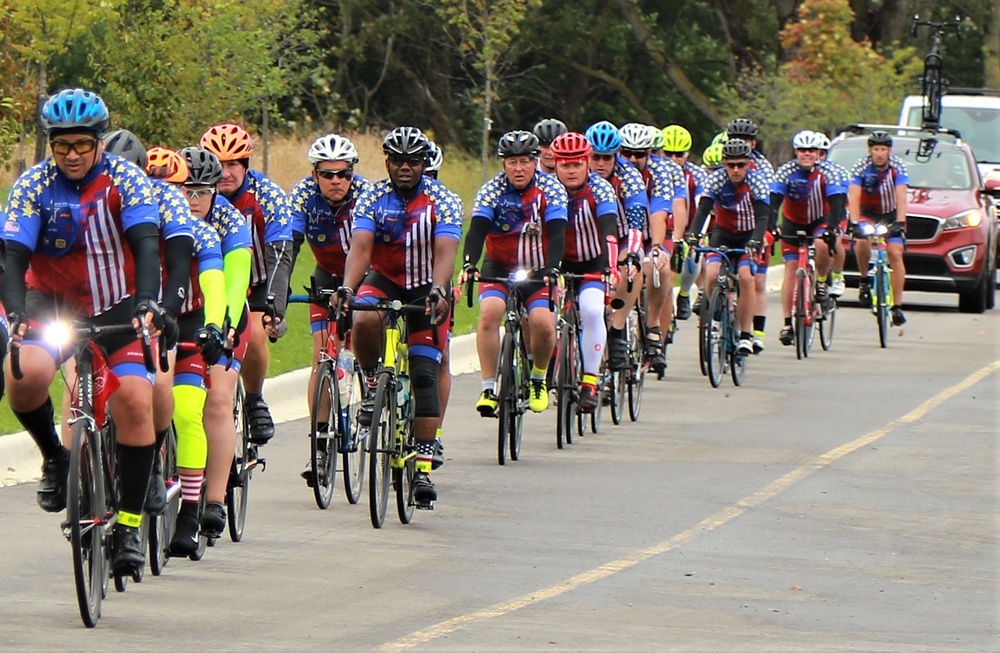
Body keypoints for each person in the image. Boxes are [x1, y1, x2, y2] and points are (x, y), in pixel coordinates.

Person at [2, 88, 166, 574]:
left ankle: (131, 526)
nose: (71, 155)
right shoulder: (33, 185)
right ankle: (55, 457)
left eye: (81, 144)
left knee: (136, 400)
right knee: (24, 373)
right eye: (61, 145)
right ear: (50, 144)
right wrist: (14, 313)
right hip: (50, 301)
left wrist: (148, 303)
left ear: (97, 141)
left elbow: (147, 245)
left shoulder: (127, 181)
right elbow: (13, 258)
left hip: (116, 302)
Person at [340, 126, 462, 506]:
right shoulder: (372, 197)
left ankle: (423, 468)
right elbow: (360, 249)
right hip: (387, 279)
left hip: (428, 284)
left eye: (413, 161)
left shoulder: (444, 199)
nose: (405, 168)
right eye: (398, 161)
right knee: (362, 317)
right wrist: (347, 288)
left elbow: (445, 252)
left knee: (425, 374)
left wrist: (440, 289)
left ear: (424, 164)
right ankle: (374, 379)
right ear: (388, 162)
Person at [100, 130, 194, 515]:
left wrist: (167, 310)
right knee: (76, 387)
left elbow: (178, 266)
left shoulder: (166, 198)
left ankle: (152, 459)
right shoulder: (85, 199)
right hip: (103, 304)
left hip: (149, 301)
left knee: (158, 386)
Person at [176, 146, 253, 539]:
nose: (193, 201)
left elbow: (236, 279)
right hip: (177, 315)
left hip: (223, 313)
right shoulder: (164, 216)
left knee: (219, 398)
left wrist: (223, 326)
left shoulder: (228, 219)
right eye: (185, 190)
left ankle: (215, 499)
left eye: (202, 192)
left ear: (214, 193)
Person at [200, 123, 294, 445]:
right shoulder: (194, 194)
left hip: (256, 284)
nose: (225, 173)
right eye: (218, 163)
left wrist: (276, 307)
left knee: (253, 335)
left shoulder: (267, 196)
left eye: (233, 164)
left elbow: (281, 253)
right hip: (204, 284)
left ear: (246, 166)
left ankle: (254, 399)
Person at [462, 130, 567, 416]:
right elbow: (476, 232)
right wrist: (470, 264)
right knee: (489, 314)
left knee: (543, 323)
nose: (518, 168)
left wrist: (554, 267)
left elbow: (558, 235)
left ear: (535, 162)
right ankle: (488, 387)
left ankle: (538, 379)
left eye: (524, 161)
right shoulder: (491, 191)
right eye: (511, 162)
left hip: (538, 269)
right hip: (499, 266)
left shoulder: (551, 189)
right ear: (503, 164)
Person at [289, 134, 372, 484]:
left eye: (343, 174)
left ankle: (373, 388)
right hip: (326, 275)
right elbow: (287, 247)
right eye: (327, 174)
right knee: (322, 355)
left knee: (369, 336)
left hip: (367, 274)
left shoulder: (369, 195)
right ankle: (320, 443)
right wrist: (277, 295)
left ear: (353, 173)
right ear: (314, 175)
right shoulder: (303, 197)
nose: (336, 181)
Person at [550, 131, 619, 411]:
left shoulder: (601, 189)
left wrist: (612, 269)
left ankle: (590, 381)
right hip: (554, 263)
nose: (571, 171)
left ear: (587, 163)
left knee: (591, 310)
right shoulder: (545, 188)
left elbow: (610, 233)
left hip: (593, 261)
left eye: (577, 164)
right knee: (541, 314)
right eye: (565, 165)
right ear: (554, 164)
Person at [689, 138, 771, 356]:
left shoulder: (757, 180)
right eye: (731, 165)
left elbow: (763, 215)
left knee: (746, 277)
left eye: (741, 165)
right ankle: (715, 316)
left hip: (748, 234)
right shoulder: (716, 180)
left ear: (748, 164)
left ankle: (745, 334)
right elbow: (703, 209)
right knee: (712, 274)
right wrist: (693, 235)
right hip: (723, 233)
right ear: (724, 164)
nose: (736, 170)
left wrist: (756, 239)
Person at [618, 122, 686, 374]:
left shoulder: (661, 171)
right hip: (622, 232)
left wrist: (656, 248)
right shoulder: (613, 170)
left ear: (650, 153)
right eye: (627, 153)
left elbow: (659, 211)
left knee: (660, 270)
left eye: (640, 154)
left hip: (653, 232)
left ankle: (653, 322)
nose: (634, 159)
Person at [770, 130, 847, 346]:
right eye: (802, 150)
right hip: (792, 221)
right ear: (796, 151)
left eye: (811, 150)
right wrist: (771, 226)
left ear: (818, 153)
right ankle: (787, 324)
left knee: (823, 245)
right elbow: (774, 200)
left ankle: (821, 281)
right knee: (791, 270)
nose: (807, 154)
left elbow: (837, 202)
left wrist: (831, 228)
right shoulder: (786, 171)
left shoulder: (828, 172)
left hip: (820, 219)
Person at [584, 121, 648, 371]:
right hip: (587, 238)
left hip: (620, 236)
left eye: (607, 158)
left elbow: (635, 225)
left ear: (616, 156)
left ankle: (618, 330)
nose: (600, 164)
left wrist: (631, 254)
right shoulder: (577, 173)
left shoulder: (629, 176)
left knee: (633, 266)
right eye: (595, 157)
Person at [847, 130, 908, 326]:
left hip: (891, 213)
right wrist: (854, 222)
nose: (880, 153)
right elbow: (854, 196)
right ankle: (864, 280)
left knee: (895, 253)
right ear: (870, 150)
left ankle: (897, 306)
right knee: (863, 240)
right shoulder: (860, 166)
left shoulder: (897, 167)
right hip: (867, 212)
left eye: (883, 149)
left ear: (889, 151)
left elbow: (901, 195)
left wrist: (900, 222)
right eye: (876, 149)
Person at [726, 118, 773, 353]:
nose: (739, 143)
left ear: (753, 143)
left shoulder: (762, 167)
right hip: (726, 224)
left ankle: (756, 332)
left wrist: (766, 233)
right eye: (734, 138)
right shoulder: (723, 158)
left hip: (755, 225)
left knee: (755, 280)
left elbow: (768, 205)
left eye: (744, 140)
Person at [661, 124, 708, 321]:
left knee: (694, 254)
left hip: (689, 225)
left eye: (678, 154)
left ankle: (685, 293)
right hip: (662, 227)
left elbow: (703, 204)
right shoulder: (656, 171)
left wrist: (698, 235)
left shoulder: (696, 175)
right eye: (668, 154)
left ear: (687, 154)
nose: (673, 160)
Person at [815, 132, 850, 297]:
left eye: (822, 153)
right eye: (817, 152)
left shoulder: (838, 172)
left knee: (834, 241)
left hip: (835, 211)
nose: (818, 157)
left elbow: (842, 199)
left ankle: (837, 276)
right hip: (813, 214)